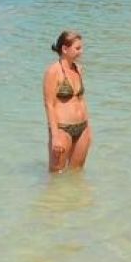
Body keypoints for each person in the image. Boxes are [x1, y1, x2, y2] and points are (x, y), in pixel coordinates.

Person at [43, 30, 92, 172]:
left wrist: (88, 128)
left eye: (81, 48)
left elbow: (81, 100)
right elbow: (49, 105)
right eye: (77, 48)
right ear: (65, 49)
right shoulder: (53, 71)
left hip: (82, 128)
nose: (81, 52)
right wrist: (55, 136)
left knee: (76, 173)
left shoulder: (78, 69)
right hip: (62, 129)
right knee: (56, 174)